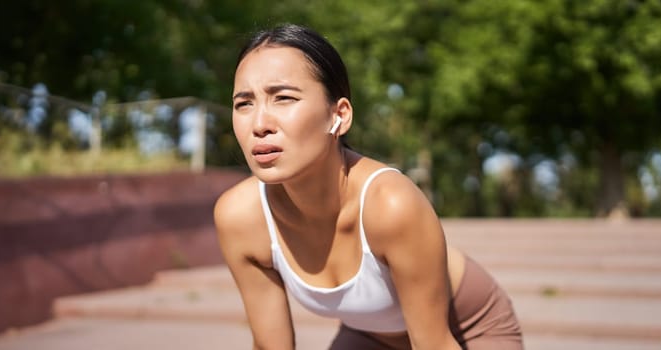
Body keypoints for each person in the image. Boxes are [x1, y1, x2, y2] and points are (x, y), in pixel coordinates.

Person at [213, 24, 523, 349]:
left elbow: (434, 345)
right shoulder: (240, 218)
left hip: (467, 330)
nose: (259, 125)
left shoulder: (390, 204)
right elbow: (269, 346)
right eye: (244, 104)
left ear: (339, 115)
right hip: (369, 338)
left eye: (284, 98)